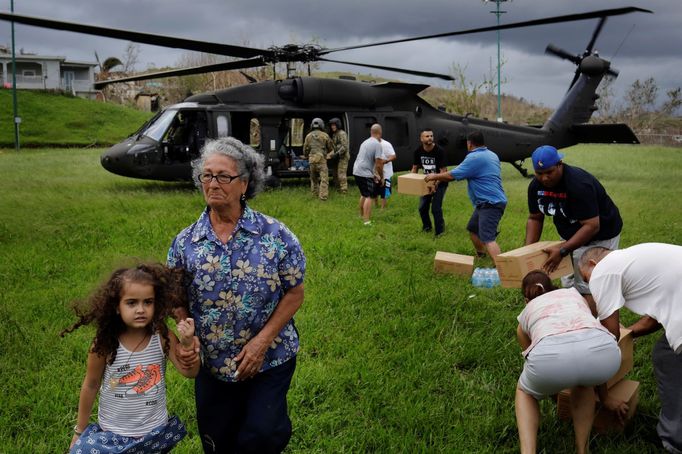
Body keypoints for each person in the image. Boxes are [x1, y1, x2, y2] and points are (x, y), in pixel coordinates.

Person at [168, 137, 306, 453]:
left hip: (270, 358)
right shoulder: (185, 243)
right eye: (207, 175)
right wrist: (187, 335)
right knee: (218, 442)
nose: (212, 183)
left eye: (223, 176)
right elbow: (176, 298)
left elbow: (295, 293)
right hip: (213, 365)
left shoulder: (276, 236)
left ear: (244, 183)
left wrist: (260, 343)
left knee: (260, 435)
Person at [62, 263, 199, 453]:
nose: (141, 309)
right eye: (131, 303)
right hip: (112, 434)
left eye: (148, 302)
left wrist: (186, 345)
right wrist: (80, 430)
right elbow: (91, 384)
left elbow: (190, 372)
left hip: (153, 435)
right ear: (116, 306)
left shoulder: (162, 336)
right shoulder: (105, 342)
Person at [579, 243, 682, 454]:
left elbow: (610, 334)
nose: (591, 286)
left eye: (587, 279)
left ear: (592, 263)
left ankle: (673, 442)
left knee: (668, 361)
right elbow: (652, 320)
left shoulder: (604, 269)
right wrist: (630, 333)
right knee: (665, 352)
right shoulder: (639, 260)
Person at [515, 270, 625, 454]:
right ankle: (583, 449)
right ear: (553, 287)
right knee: (584, 382)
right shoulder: (574, 295)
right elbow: (587, 340)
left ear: (526, 300)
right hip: (605, 354)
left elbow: (533, 360)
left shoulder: (527, 311)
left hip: (550, 360)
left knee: (525, 392)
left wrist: (551, 389)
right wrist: (604, 397)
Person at [525, 145, 623, 314]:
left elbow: (592, 226)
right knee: (569, 285)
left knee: (590, 285)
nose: (545, 178)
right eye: (539, 173)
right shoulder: (536, 187)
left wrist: (563, 250)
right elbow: (535, 218)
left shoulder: (578, 184)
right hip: (573, 236)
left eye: (549, 172)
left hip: (600, 235)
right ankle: (573, 321)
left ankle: (592, 327)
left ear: (559, 164)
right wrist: (527, 252)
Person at [425, 130, 506, 260]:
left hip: (490, 203)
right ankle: (482, 257)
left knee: (488, 238)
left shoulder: (474, 157)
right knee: (473, 230)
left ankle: (503, 270)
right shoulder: (492, 154)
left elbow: (452, 175)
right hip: (485, 202)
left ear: (469, 144)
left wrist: (434, 176)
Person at [411, 128, 448, 236]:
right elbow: (415, 168)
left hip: (441, 182)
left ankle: (439, 232)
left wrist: (435, 185)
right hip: (426, 182)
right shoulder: (418, 151)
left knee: (436, 208)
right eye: (427, 136)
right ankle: (427, 227)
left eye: (431, 136)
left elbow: (443, 171)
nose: (430, 138)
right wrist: (412, 181)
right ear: (421, 138)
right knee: (422, 207)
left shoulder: (440, 151)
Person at [352, 124, 384, 225]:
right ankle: (366, 221)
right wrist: (381, 177)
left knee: (364, 194)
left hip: (356, 170)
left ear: (371, 132)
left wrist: (373, 174)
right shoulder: (377, 144)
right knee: (369, 196)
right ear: (380, 132)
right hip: (364, 172)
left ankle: (361, 215)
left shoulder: (365, 142)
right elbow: (379, 164)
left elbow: (367, 160)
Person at [303, 118, 334, 201]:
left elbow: (305, 149)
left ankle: (314, 194)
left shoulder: (308, 136)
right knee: (324, 179)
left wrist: (307, 156)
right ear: (321, 125)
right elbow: (331, 148)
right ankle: (323, 197)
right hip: (321, 161)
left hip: (312, 161)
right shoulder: (325, 135)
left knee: (313, 179)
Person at [328, 117, 350, 194]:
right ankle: (337, 188)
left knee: (341, 174)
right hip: (336, 157)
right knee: (335, 174)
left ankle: (344, 191)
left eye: (334, 125)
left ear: (338, 125)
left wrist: (336, 154)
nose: (332, 127)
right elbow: (334, 147)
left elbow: (344, 147)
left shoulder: (342, 134)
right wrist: (330, 154)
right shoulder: (334, 134)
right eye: (331, 125)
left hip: (343, 157)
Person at [377, 132, 396, 209]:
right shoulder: (372, 144)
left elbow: (393, 156)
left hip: (386, 173)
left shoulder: (386, 144)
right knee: (375, 190)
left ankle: (383, 208)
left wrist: (386, 161)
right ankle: (375, 205)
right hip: (375, 172)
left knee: (385, 191)